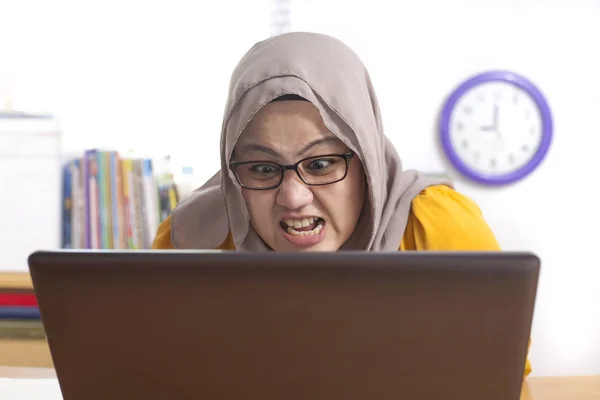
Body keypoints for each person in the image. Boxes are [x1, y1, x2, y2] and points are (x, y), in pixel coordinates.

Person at [151, 31, 531, 377]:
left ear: (365, 159)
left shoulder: (436, 230)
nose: (294, 197)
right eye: (263, 168)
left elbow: (502, 376)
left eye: (319, 164)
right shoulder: (192, 243)